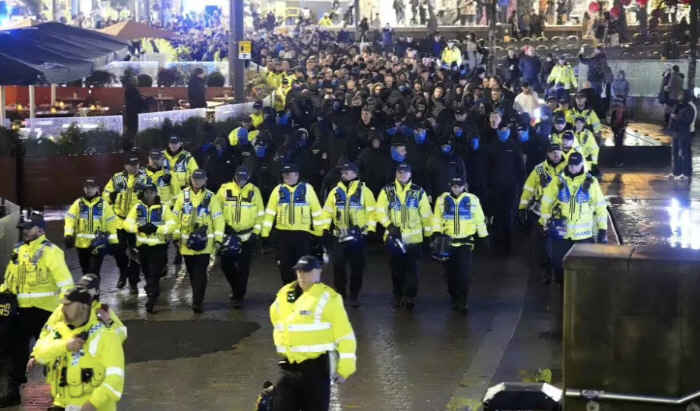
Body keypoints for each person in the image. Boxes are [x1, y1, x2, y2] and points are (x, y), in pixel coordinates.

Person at [0, 215, 74, 407]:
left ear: (40, 230)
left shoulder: (51, 252)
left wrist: (67, 312)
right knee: (15, 353)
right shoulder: (18, 251)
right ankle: (13, 391)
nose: (24, 231)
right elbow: (9, 281)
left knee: (50, 355)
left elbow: (66, 283)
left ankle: (58, 395)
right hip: (20, 313)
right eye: (23, 228)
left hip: (45, 314)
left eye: (29, 228)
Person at [270, 255, 356, 411]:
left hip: (316, 371)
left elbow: (345, 336)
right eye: (299, 271)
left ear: (318, 272)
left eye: (307, 272)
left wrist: (345, 369)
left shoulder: (329, 298)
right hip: (290, 367)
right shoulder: (286, 293)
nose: (302, 276)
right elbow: (276, 317)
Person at [32, 287, 125, 411]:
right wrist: (64, 346)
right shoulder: (59, 330)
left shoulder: (106, 335)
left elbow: (115, 377)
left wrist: (94, 403)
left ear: (83, 307)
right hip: (62, 405)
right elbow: (40, 355)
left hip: (95, 407)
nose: (63, 309)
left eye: (68, 305)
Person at [540, 152, 607, 288]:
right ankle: (562, 289)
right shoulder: (558, 181)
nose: (574, 168)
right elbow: (546, 204)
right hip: (562, 235)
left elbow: (600, 207)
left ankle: (580, 294)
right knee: (559, 265)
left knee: (584, 269)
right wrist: (544, 224)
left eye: (576, 165)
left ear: (582, 164)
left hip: (584, 236)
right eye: (571, 165)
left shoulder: (591, 182)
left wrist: (602, 229)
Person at [375, 163, 433, 310]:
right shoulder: (387, 191)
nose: (402, 174)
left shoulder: (418, 191)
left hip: (414, 239)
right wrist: (389, 226)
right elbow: (379, 211)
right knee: (396, 270)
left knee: (412, 269)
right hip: (394, 238)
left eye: (405, 172)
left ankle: (410, 296)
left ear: (410, 175)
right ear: (396, 174)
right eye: (400, 172)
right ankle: (398, 294)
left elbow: (426, 215)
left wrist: (429, 235)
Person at [321, 163, 377, 307]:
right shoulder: (335, 191)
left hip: (359, 236)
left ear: (355, 173)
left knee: (357, 268)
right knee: (338, 266)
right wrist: (325, 228)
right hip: (339, 235)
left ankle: (354, 295)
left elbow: (372, 212)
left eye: (347, 172)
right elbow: (327, 211)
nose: (343, 174)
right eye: (342, 172)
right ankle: (340, 292)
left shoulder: (365, 191)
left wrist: (371, 229)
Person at [171, 169, 225, 313]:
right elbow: (174, 217)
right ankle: (197, 296)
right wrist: (176, 235)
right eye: (195, 179)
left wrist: (218, 240)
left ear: (205, 180)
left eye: (200, 179)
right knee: (192, 272)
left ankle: (197, 301)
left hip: (204, 244)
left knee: (200, 273)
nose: (197, 181)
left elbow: (218, 219)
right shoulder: (183, 195)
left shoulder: (211, 197)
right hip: (186, 244)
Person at [432, 177, 489, 314]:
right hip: (448, 243)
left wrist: (483, 237)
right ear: (450, 186)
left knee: (463, 274)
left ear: (464, 186)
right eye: (454, 186)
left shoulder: (472, 199)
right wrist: (436, 234)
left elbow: (479, 220)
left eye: (459, 186)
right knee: (449, 274)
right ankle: (454, 297)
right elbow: (437, 219)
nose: (456, 188)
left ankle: (463, 301)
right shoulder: (442, 200)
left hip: (465, 242)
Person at [262, 164, 324, 285]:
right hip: (283, 234)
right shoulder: (278, 190)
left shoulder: (307, 189)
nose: (286, 177)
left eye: (289, 174)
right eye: (284, 175)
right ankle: (289, 291)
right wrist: (265, 233)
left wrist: (319, 232)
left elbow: (316, 211)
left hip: (302, 234)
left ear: (296, 174)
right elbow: (269, 213)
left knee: (303, 265)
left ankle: (303, 290)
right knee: (285, 265)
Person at [103, 152, 152, 293]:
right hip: (119, 220)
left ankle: (133, 282)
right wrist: (111, 196)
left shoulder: (145, 177)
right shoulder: (116, 179)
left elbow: (154, 195)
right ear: (125, 166)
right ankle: (123, 271)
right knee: (118, 249)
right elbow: (105, 195)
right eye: (132, 165)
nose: (135, 167)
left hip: (137, 221)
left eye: (137, 164)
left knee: (136, 253)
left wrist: (145, 194)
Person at [216, 166, 265, 308]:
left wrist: (256, 232)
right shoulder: (225, 189)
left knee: (244, 269)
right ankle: (235, 287)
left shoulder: (254, 191)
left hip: (246, 236)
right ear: (235, 176)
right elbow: (216, 210)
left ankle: (239, 296)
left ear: (248, 178)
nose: (241, 181)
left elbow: (260, 214)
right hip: (228, 235)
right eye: (239, 178)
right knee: (226, 266)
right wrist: (222, 228)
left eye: (244, 178)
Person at [123, 182, 176, 313]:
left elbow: (173, 225)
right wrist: (138, 228)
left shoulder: (163, 209)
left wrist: (157, 228)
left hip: (159, 246)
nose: (149, 195)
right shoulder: (137, 208)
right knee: (147, 272)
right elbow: (126, 224)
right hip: (143, 247)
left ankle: (151, 297)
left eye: (152, 192)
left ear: (156, 193)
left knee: (153, 271)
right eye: (147, 192)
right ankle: (153, 292)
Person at [518, 143, 567, 283]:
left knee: (561, 242)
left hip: (562, 212)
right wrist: (522, 207)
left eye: (558, 151)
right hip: (541, 211)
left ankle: (560, 269)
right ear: (548, 154)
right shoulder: (539, 170)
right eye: (553, 152)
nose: (556, 154)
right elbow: (528, 189)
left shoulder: (568, 168)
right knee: (544, 242)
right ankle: (547, 268)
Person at [64, 177, 119, 276]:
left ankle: (95, 291)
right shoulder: (78, 203)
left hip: (98, 243)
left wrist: (114, 242)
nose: (89, 189)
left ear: (97, 188)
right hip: (81, 245)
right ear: (84, 188)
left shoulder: (103, 204)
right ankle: (89, 291)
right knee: (85, 271)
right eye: (87, 187)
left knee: (94, 271)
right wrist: (68, 235)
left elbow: (111, 223)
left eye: (92, 187)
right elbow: (70, 219)